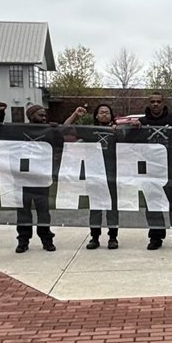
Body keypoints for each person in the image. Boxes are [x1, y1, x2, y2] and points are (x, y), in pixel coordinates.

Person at [136, 92, 172, 251]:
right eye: (152, 101)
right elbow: (130, 141)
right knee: (152, 205)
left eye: (158, 101)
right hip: (150, 171)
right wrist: (134, 129)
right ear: (149, 103)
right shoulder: (142, 122)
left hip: (171, 171)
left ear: (163, 103)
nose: (155, 104)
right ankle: (155, 237)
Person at [71, 104, 120, 250]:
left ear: (111, 116)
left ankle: (113, 237)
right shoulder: (89, 131)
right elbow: (64, 129)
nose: (104, 114)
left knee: (112, 207)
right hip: (94, 174)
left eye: (107, 112)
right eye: (101, 112)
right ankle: (94, 237)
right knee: (95, 207)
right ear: (96, 116)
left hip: (112, 174)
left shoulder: (116, 131)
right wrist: (75, 115)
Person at [11, 104, 56, 253]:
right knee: (23, 211)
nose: (44, 118)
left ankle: (46, 239)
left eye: (45, 115)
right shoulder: (19, 131)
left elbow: (64, 136)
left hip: (41, 178)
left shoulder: (49, 131)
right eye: (40, 115)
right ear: (31, 116)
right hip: (23, 178)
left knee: (43, 211)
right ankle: (23, 240)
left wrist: (57, 129)